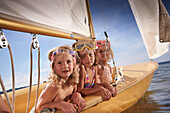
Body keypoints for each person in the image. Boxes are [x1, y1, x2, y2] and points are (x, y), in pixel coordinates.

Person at [35, 45, 86, 113]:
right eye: (59, 63)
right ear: (53, 67)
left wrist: (76, 95)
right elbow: (39, 108)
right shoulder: (54, 86)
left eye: (68, 61)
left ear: (74, 64)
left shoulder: (72, 82)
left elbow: (71, 95)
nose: (65, 66)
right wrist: (59, 104)